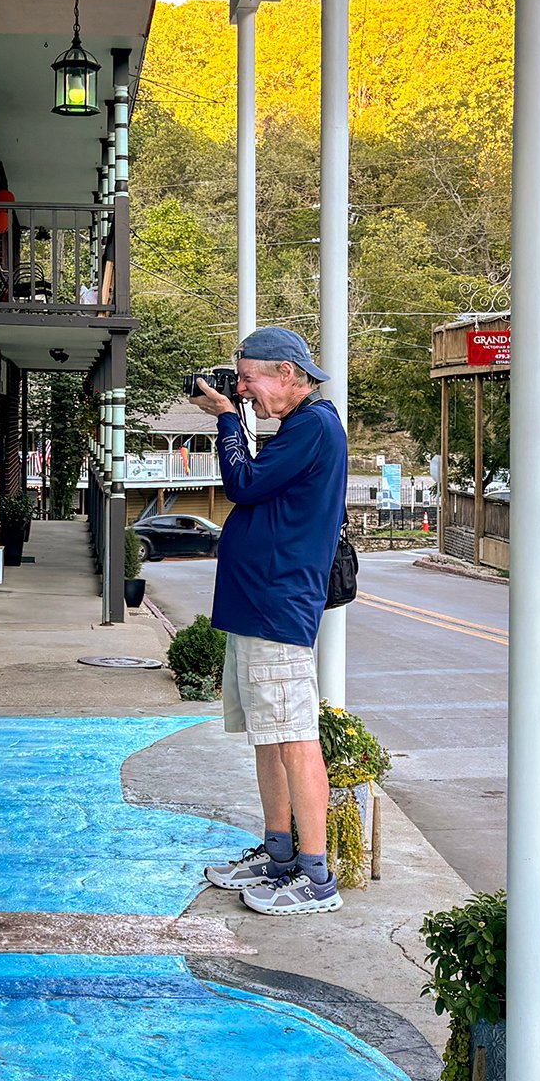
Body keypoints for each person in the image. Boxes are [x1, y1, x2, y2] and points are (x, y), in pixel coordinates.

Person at [193, 328, 348, 916]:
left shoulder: (313, 425)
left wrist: (228, 419)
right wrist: (235, 413)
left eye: (248, 378)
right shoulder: (301, 427)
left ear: (287, 373)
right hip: (256, 603)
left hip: (277, 605)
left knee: (294, 737)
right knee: (268, 735)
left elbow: (244, 482)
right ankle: (279, 853)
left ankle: (314, 876)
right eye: (238, 382)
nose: (241, 389)